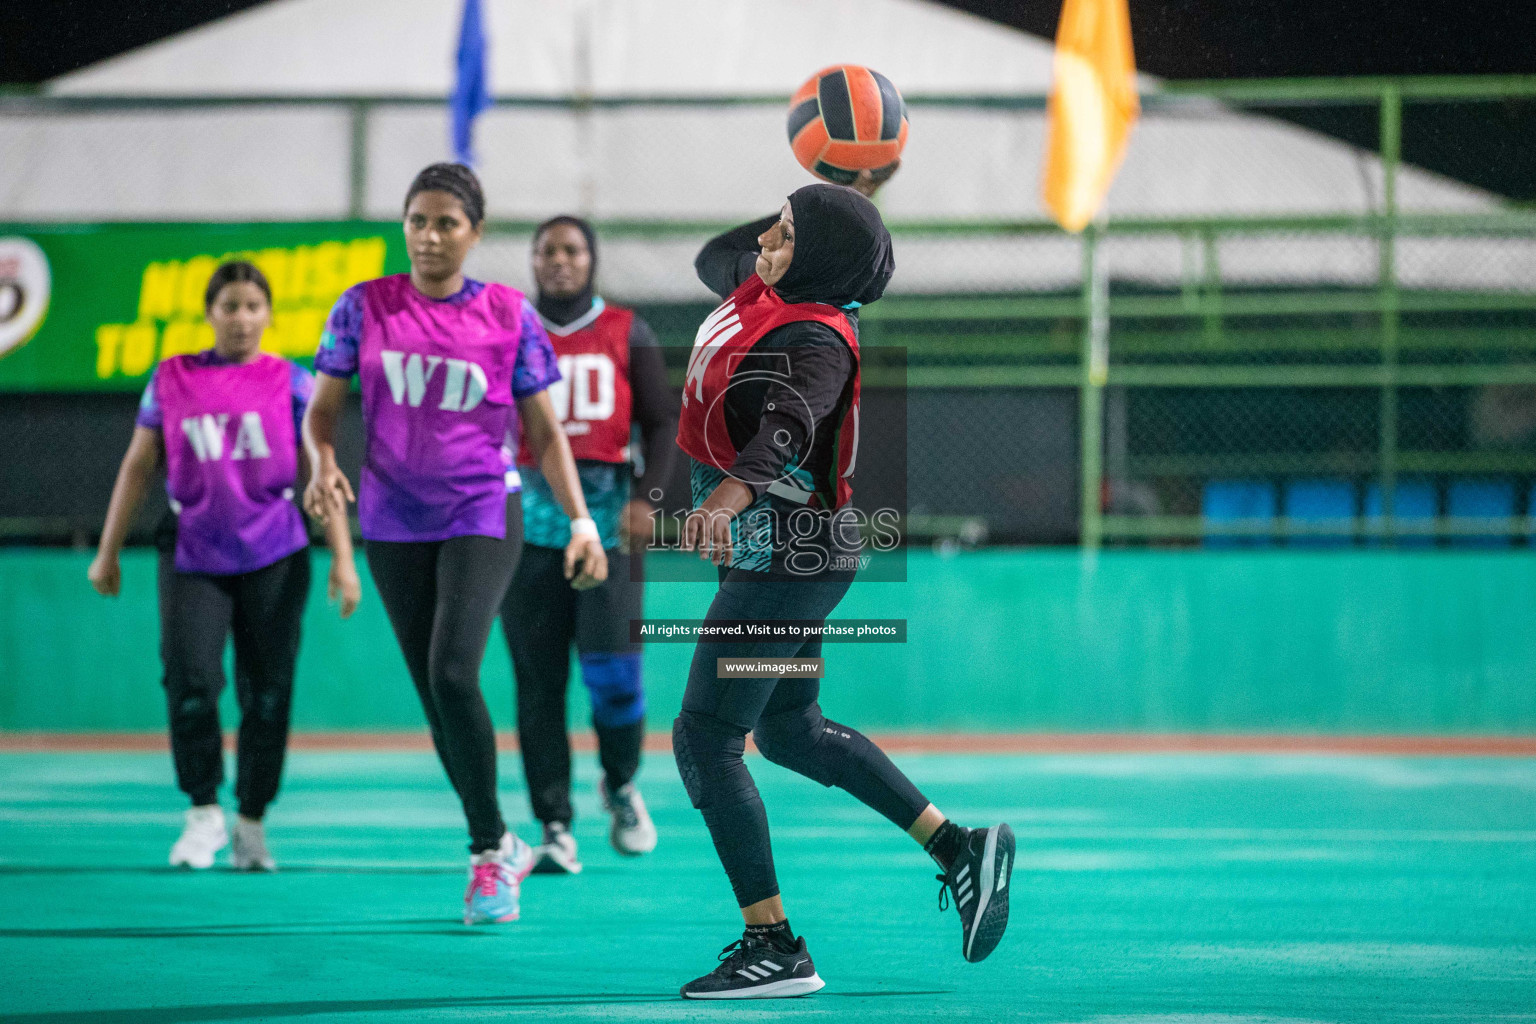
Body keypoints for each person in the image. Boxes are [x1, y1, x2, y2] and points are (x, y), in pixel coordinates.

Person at [671, 173, 1016, 999]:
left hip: (788, 559)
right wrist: (829, 190)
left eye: (785, 235)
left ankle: (774, 946)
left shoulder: (817, 340)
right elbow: (717, 254)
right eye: (772, 228)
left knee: (706, 740)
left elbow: (788, 428)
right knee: (789, 730)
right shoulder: (763, 287)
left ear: (820, 261)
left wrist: (728, 494)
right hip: (777, 554)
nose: (764, 243)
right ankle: (959, 847)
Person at [302, 163, 607, 925]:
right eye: (416, 220)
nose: (429, 235)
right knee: (437, 697)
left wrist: (579, 520)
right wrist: (323, 463)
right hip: (392, 517)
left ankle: (484, 858)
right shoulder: (361, 308)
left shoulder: (509, 315)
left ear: (474, 232)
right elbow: (322, 414)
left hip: (481, 507)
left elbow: (544, 431)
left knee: (453, 668)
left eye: (445, 222)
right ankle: (502, 838)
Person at [88, 261, 360, 872]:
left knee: (267, 693)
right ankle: (203, 811)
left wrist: (343, 556)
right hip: (192, 553)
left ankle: (252, 820)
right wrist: (107, 551)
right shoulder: (171, 378)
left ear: (269, 315)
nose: (241, 319)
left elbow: (322, 472)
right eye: (229, 307)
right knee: (190, 681)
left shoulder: (293, 382)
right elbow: (138, 465)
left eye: (252, 307)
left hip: (277, 556)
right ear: (209, 313)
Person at [501, 216, 677, 873]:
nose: (559, 261)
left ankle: (621, 782)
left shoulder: (627, 331)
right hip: (526, 530)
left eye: (571, 249)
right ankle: (554, 825)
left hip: (608, 527)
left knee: (615, 680)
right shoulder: (509, 328)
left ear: (592, 259)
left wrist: (645, 499)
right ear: (533, 260)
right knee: (537, 684)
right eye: (546, 250)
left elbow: (662, 423)